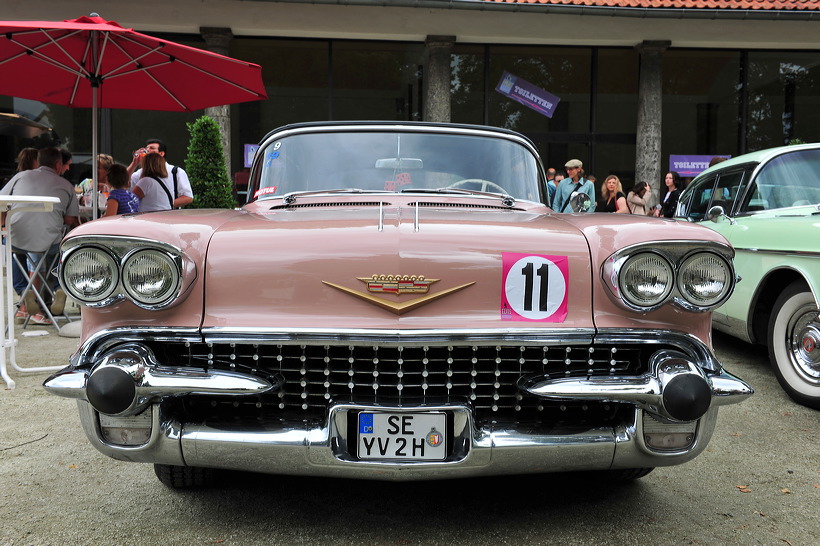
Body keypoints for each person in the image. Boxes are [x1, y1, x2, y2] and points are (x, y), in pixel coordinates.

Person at [0, 147, 79, 324]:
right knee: (64, 252)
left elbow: (1, 201)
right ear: (58, 164)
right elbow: (69, 218)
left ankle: (23, 291)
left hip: (18, 238)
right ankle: (60, 288)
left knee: (15, 252)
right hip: (49, 243)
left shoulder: (21, 176)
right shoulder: (65, 185)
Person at [128, 139, 193, 209]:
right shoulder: (140, 172)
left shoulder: (176, 172)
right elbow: (122, 182)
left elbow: (188, 197)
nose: (147, 151)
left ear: (161, 153)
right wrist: (134, 163)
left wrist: (164, 204)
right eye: (146, 148)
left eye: (151, 148)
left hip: (169, 215)